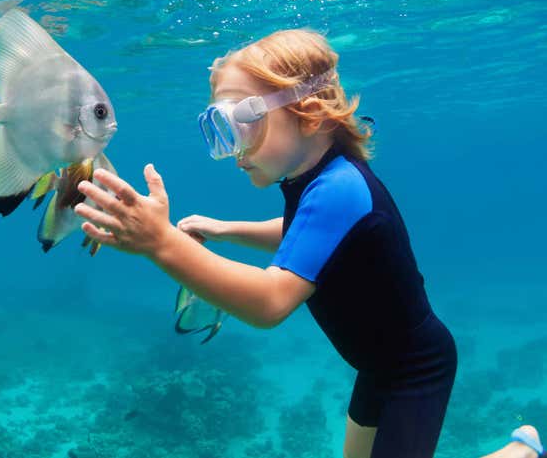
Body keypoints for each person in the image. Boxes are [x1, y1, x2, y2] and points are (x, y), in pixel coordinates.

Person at [73, 29, 457, 457]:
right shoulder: (317, 182)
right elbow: (310, 236)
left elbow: (270, 302)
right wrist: (226, 229)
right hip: (378, 365)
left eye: (244, 122)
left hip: (414, 370)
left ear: (309, 113)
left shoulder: (339, 189)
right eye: (220, 127)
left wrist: (160, 243)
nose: (233, 149)